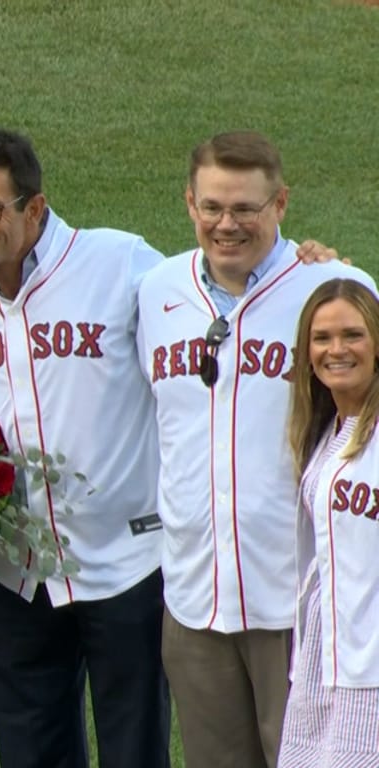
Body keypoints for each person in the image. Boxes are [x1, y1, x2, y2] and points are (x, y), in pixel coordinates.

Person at [136, 131, 372, 768]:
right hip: (192, 597)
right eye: (212, 206)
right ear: (189, 203)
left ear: (281, 203)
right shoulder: (155, 290)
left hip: (302, 600)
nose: (226, 224)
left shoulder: (335, 289)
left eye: (246, 208)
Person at [0, 128, 171, 768]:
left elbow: (206, 305)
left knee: (134, 749)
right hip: (18, 570)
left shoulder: (121, 262)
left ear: (34, 208)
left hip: (126, 560)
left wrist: (301, 263)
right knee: (31, 751)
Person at [281, 278, 379, 767]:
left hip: (371, 666)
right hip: (324, 659)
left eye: (353, 335)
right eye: (321, 338)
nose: (335, 350)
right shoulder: (328, 432)